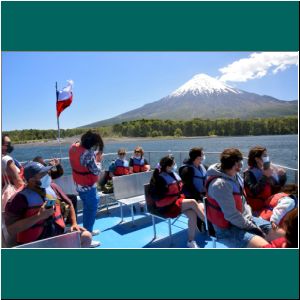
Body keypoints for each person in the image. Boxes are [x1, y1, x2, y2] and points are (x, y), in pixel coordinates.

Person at [206, 148, 285, 248]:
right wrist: (253, 228)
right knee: (265, 247)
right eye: (239, 163)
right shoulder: (220, 185)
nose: (240, 167)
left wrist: (250, 219)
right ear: (235, 164)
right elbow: (232, 216)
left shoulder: (234, 175)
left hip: (245, 218)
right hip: (227, 228)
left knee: (282, 235)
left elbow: (243, 202)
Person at [4, 161, 92, 247]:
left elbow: (70, 204)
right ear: (31, 180)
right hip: (35, 242)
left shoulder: (53, 187)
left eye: (46, 172)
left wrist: (74, 223)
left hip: (58, 235)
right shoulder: (18, 199)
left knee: (86, 236)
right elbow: (11, 230)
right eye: (42, 174)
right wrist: (39, 216)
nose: (47, 175)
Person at [149, 155, 205, 248]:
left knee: (192, 214)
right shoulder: (159, 179)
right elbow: (156, 196)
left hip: (175, 202)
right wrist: (165, 190)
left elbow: (179, 190)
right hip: (166, 207)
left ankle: (191, 241)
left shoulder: (172, 174)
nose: (175, 166)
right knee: (193, 202)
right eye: (173, 164)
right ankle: (209, 224)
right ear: (168, 167)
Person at [69, 130, 104, 248]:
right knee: (91, 209)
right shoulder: (88, 154)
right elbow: (96, 170)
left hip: (79, 184)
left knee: (86, 208)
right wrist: (98, 160)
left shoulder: (74, 146)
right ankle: (87, 236)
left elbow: (82, 160)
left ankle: (88, 230)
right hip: (88, 187)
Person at [244, 146, 287, 213]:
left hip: (271, 205)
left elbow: (279, 185)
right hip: (258, 210)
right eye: (264, 155)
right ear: (257, 159)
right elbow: (254, 191)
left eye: (267, 155)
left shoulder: (267, 169)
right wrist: (265, 176)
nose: (267, 157)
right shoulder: (249, 173)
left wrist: (282, 176)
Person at [2, 134, 24, 210]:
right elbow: (18, 182)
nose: (10, 146)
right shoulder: (6, 159)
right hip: (13, 195)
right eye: (7, 144)